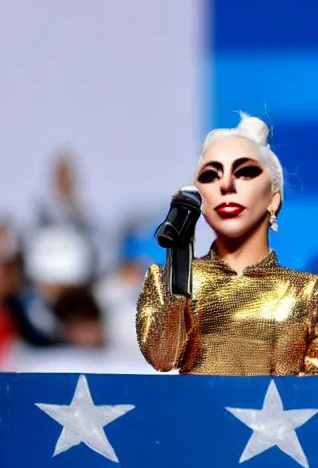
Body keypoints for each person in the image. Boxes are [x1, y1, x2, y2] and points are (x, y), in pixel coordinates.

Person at [136, 112, 318, 376]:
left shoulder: (309, 292)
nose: (227, 184)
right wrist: (179, 276)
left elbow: (311, 397)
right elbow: (163, 358)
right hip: (195, 417)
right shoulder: (167, 280)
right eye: (211, 175)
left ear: (273, 199)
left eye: (246, 172)